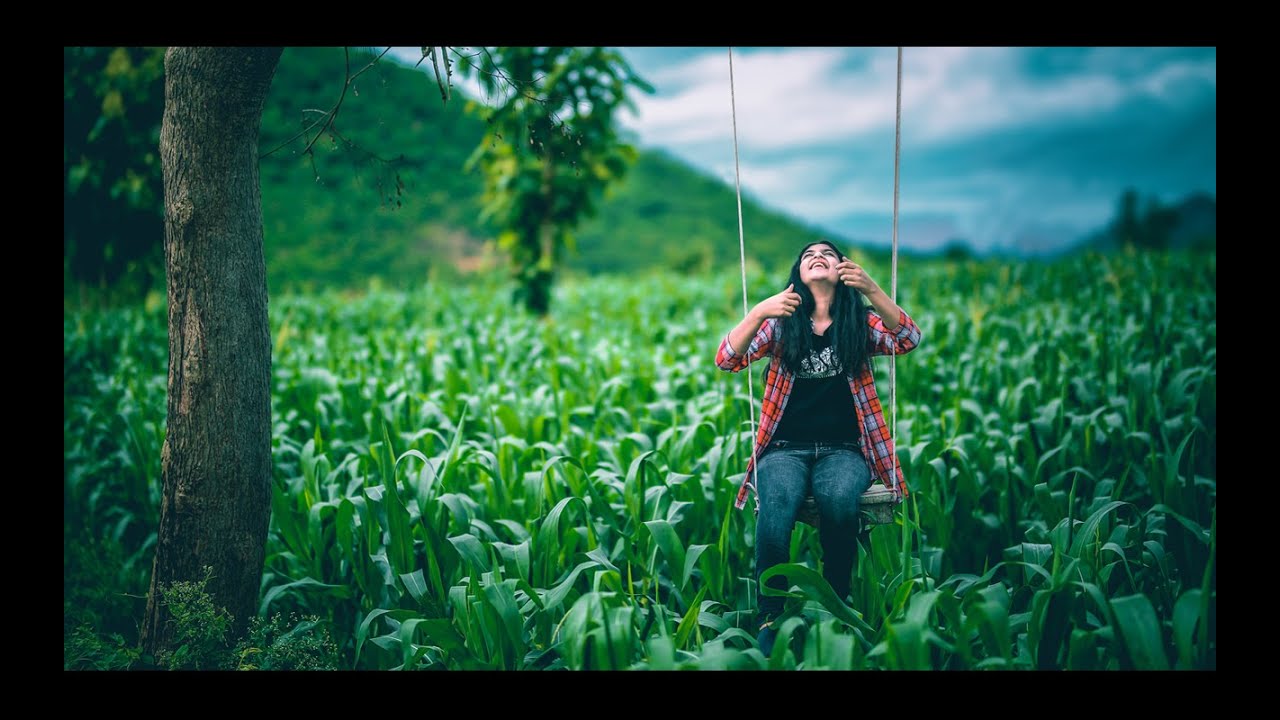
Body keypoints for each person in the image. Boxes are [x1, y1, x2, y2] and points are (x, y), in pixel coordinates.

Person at [715, 240, 922, 656]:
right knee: (776, 504)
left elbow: (908, 338)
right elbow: (726, 359)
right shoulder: (781, 325)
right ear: (798, 275)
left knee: (838, 498)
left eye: (827, 253)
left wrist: (872, 289)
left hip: (843, 449)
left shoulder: (859, 324)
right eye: (808, 255)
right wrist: (758, 312)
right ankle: (771, 613)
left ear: (844, 270)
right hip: (784, 449)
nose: (817, 256)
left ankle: (837, 599)